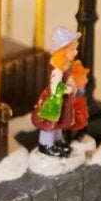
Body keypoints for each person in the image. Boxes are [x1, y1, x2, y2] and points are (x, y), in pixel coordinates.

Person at [31, 26, 89, 157]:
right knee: (50, 122)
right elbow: (55, 87)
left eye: (75, 49)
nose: (75, 52)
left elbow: (68, 78)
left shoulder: (67, 66)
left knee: (60, 121)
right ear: (63, 52)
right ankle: (46, 144)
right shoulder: (57, 71)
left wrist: (73, 85)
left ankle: (57, 141)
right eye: (72, 50)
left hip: (62, 100)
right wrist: (68, 88)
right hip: (54, 100)